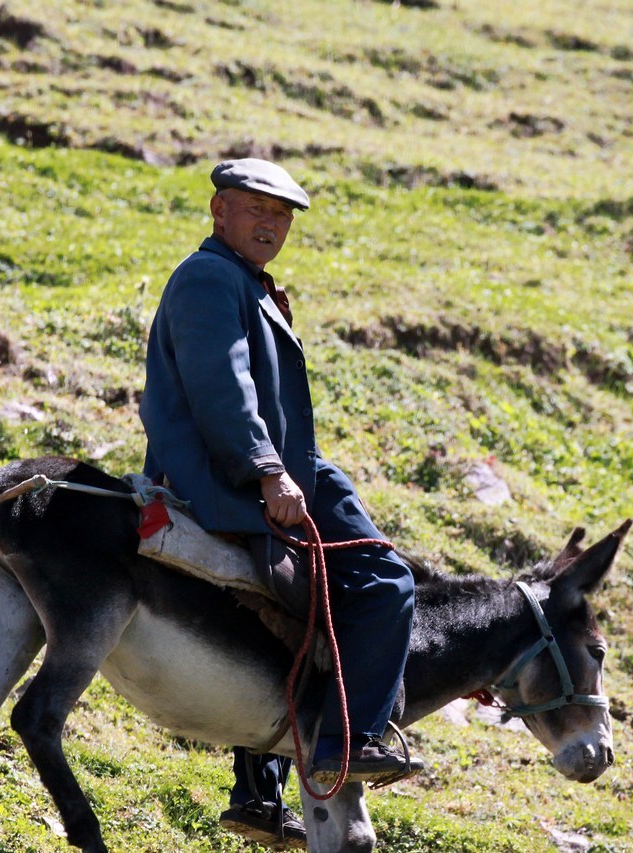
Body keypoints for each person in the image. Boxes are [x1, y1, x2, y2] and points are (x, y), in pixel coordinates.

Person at [140, 158, 423, 849]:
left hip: (275, 467)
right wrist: (268, 472)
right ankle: (348, 744)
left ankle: (259, 792)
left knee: (305, 602)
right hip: (236, 472)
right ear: (219, 211)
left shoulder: (246, 283)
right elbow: (222, 388)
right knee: (386, 583)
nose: (270, 224)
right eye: (255, 210)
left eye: (282, 215)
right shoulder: (212, 277)